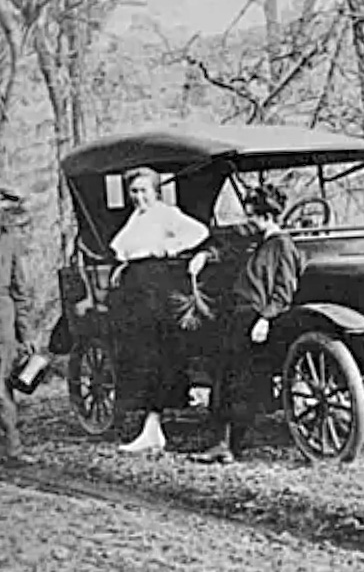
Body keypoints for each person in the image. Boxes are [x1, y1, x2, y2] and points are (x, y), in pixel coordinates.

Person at [195, 183, 302, 464]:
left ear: (267, 216)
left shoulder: (282, 246)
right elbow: (228, 251)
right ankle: (220, 443)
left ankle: (233, 446)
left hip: (254, 319)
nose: (248, 220)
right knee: (223, 379)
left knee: (241, 383)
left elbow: (284, 292)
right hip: (237, 316)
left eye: (252, 215)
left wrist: (265, 319)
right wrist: (204, 256)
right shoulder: (256, 242)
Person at [109, 167, 209, 455]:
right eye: (134, 191)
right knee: (138, 355)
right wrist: (123, 266)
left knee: (154, 354)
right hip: (136, 289)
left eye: (144, 191)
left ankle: (153, 428)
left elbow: (199, 232)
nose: (138, 197)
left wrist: (171, 247)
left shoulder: (166, 213)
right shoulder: (136, 217)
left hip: (156, 288)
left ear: (155, 191)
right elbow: (127, 248)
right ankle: (150, 429)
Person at [0, 186, 38, 466]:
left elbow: (20, 289)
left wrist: (27, 333)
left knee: (3, 385)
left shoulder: (9, 240)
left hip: (3, 320)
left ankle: (12, 448)